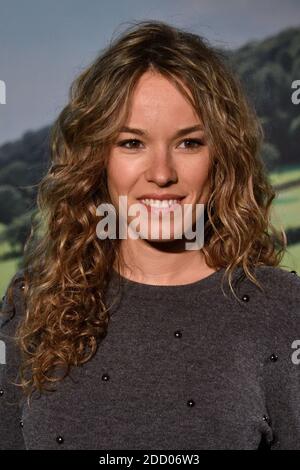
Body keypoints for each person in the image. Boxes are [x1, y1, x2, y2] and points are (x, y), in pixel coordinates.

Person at [0, 19, 300, 450]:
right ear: (97, 158)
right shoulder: (31, 307)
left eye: (189, 143)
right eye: (132, 143)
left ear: (222, 157)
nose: (161, 174)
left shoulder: (283, 310)